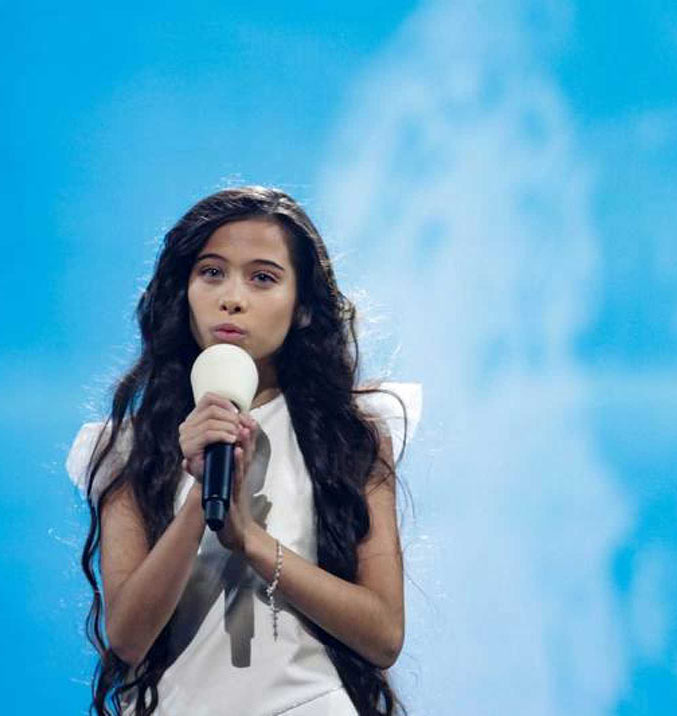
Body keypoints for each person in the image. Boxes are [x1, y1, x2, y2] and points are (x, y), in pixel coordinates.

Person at [66, 186, 421, 715]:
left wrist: (249, 540)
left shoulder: (350, 437)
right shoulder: (128, 449)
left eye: (263, 278)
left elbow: (384, 635)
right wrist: (200, 504)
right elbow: (128, 639)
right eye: (212, 272)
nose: (232, 298)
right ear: (183, 291)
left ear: (302, 307)